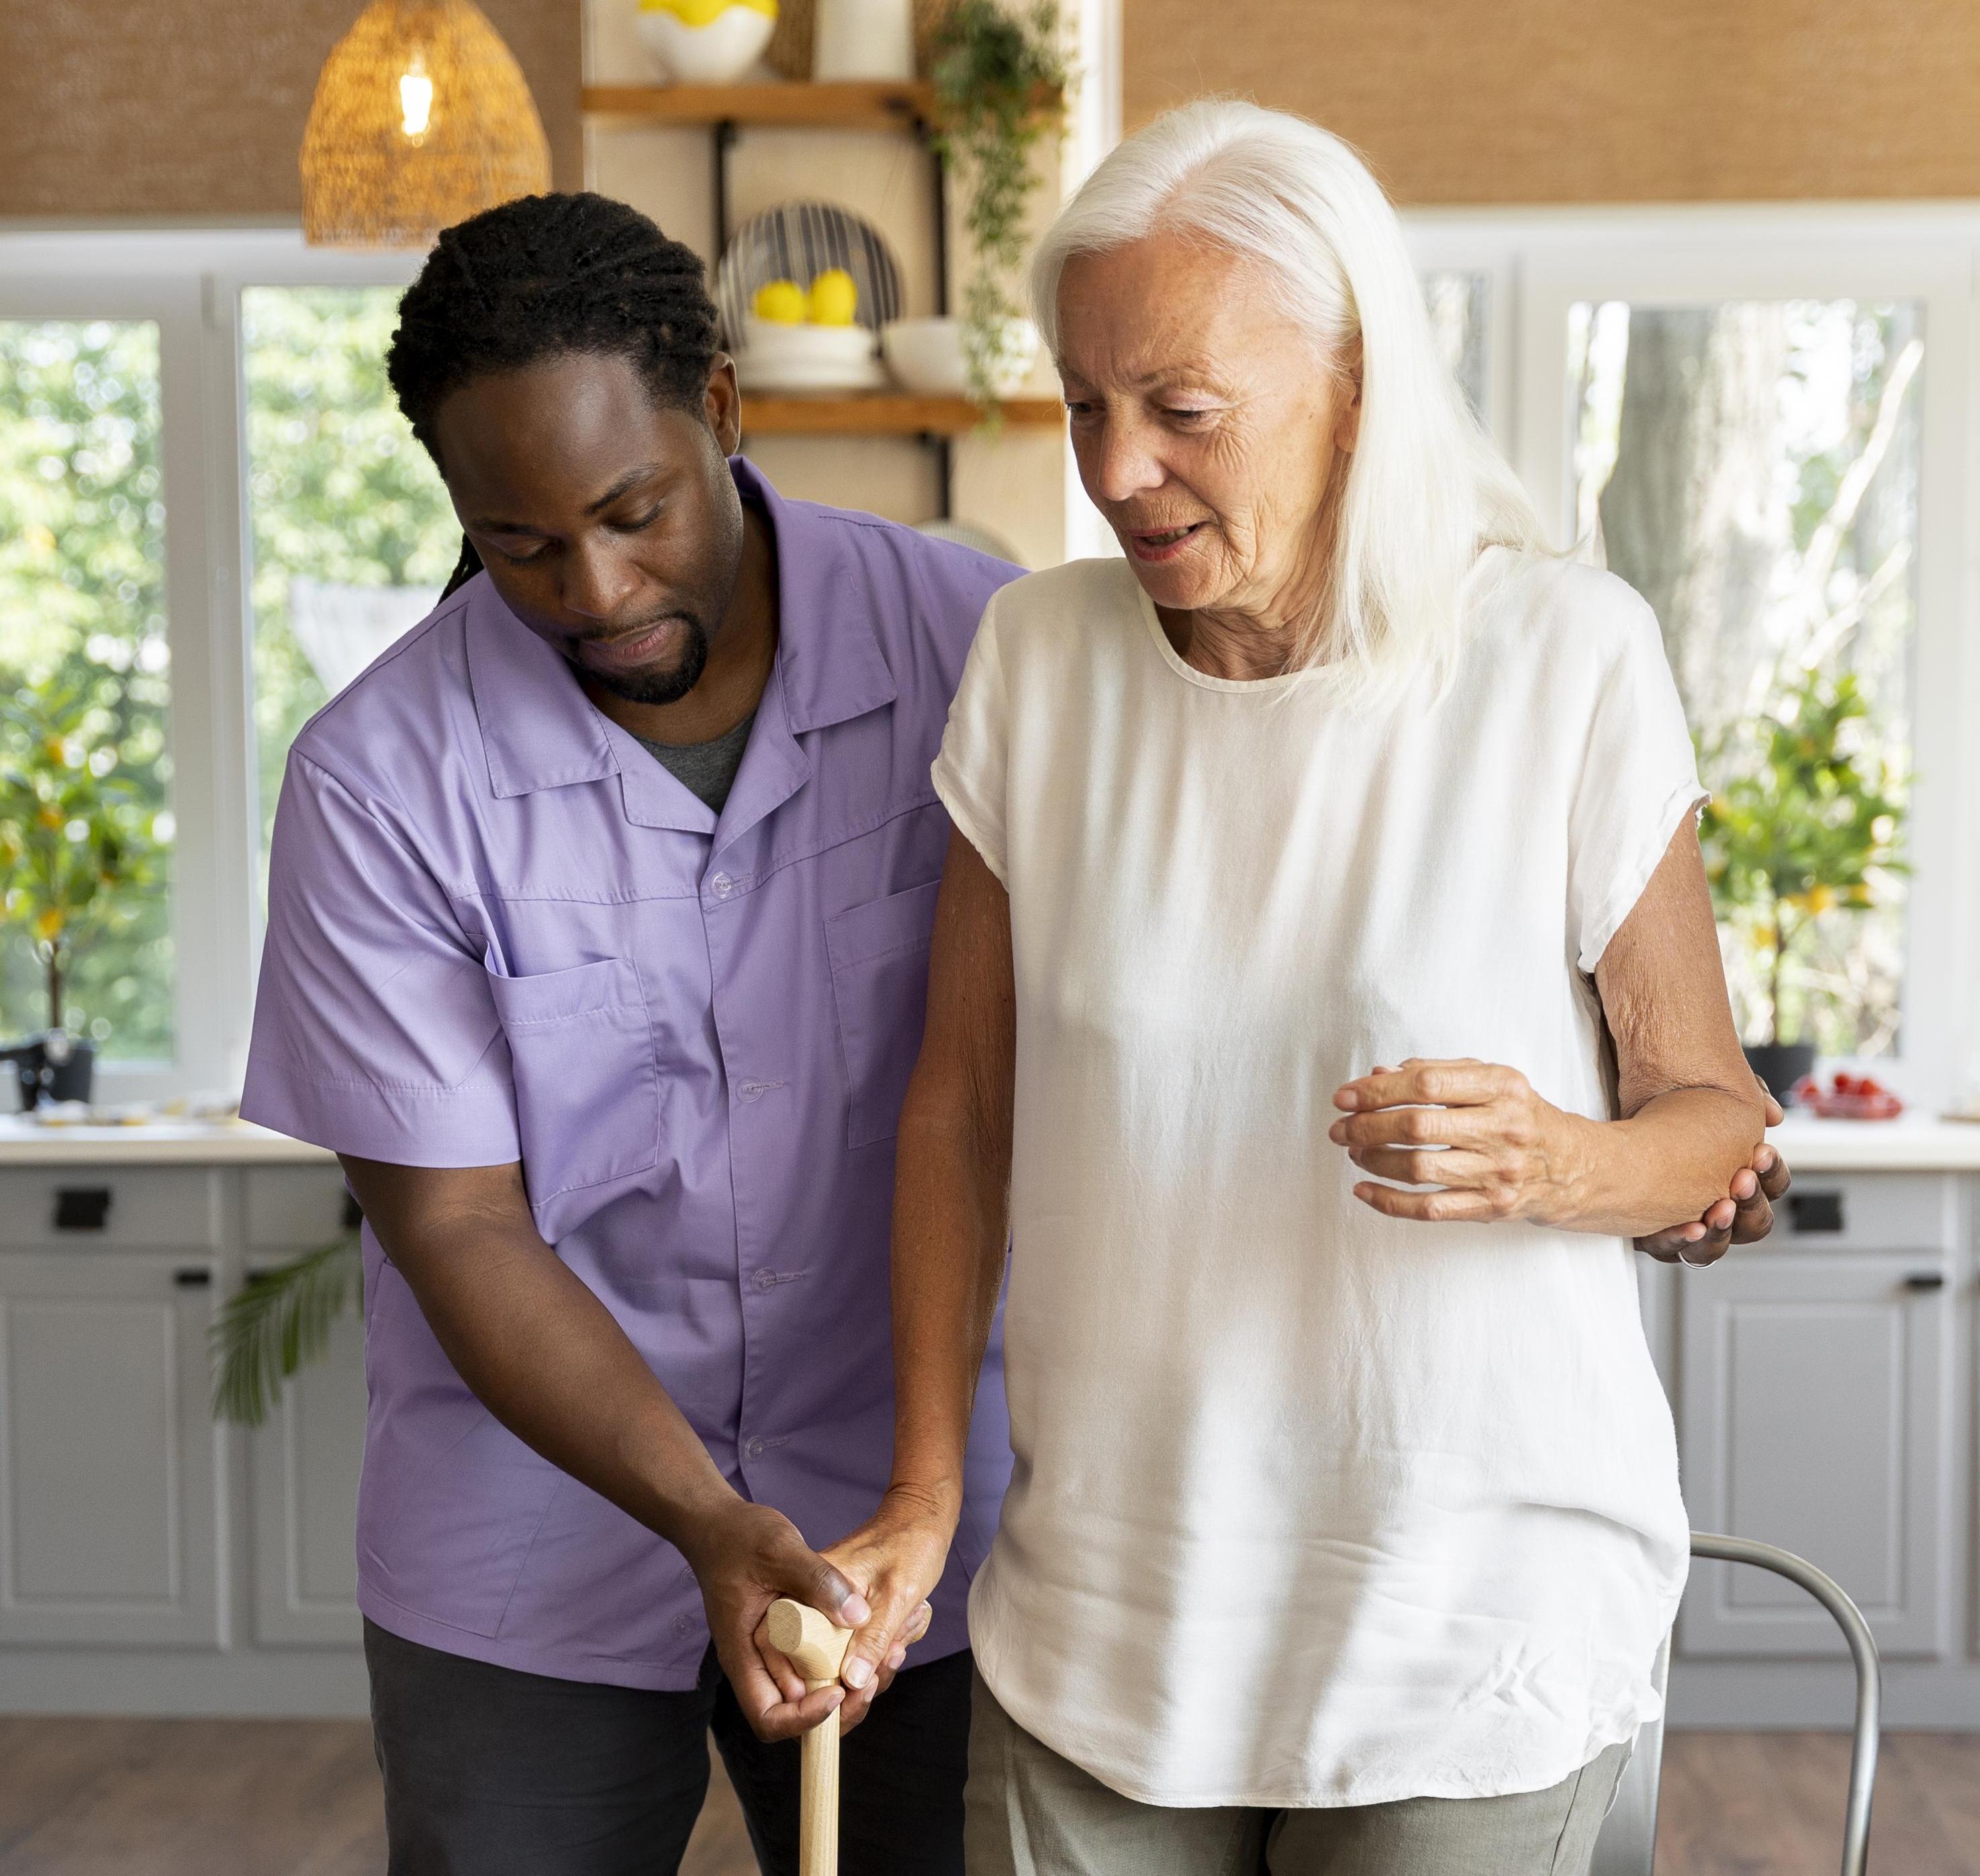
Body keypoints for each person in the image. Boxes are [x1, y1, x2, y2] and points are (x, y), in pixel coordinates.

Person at [828, 102, 1794, 1876]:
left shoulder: (1559, 654)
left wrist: (1558, 1160)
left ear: (1354, 380)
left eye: (1182, 408)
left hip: (1466, 1619)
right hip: (1102, 1616)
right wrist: (923, 1492)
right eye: (1083, 403)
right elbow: (957, 1112)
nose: (1117, 468)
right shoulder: (1038, 661)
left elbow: (1709, 1118)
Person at [240, 192, 1022, 1875]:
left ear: (720, 408)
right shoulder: (380, 780)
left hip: (919, 1530)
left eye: (632, 511)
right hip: (524, 1545)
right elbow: (460, 1222)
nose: (593, 589)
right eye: (520, 542)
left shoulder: (980, 650)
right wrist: (705, 1518)